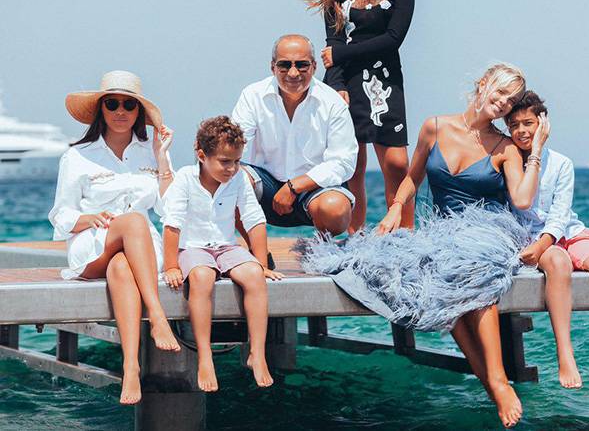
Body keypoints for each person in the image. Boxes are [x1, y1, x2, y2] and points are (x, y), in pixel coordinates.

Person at [304, 63, 549, 428]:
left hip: (490, 231)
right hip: (445, 231)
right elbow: (411, 179)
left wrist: (536, 149)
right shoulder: (435, 126)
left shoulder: (506, 147)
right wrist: (394, 210)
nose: (503, 103)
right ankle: (492, 385)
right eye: (499, 92)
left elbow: (524, 200)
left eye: (511, 100)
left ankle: (498, 379)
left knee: (472, 268)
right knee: (437, 281)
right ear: (483, 85)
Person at [49, 70, 180, 405]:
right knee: (133, 221)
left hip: (141, 251)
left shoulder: (151, 151)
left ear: (138, 111)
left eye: (129, 104)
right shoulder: (77, 155)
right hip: (93, 244)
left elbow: (169, 210)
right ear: (101, 109)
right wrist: (87, 218)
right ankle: (158, 317)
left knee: (122, 266)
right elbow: (60, 216)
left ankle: (131, 366)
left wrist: (163, 158)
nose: (121, 111)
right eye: (112, 104)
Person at [505, 91, 589, 390]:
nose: (521, 130)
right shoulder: (506, 161)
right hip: (530, 237)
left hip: (566, 232)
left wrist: (546, 242)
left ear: (543, 123)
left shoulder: (562, 163)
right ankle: (565, 354)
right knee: (559, 263)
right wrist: (539, 246)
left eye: (528, 123)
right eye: (514, 125)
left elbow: (561, 215)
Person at [307, 0, 415, 233]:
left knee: (397, 163)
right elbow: (333, 42)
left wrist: (340, 54)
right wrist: (337, 84)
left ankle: (406, 236)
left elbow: (392, 40)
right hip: (345, 85)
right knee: (352, 167)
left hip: (385, 82)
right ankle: (354, 239)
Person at [161, 116, 283, 392]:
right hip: (193, 248)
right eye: (225, 162)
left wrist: (261, 263)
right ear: (202, 156)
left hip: (226, 247)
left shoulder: (238, 178)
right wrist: (171, 266)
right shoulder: (185, 179)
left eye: (237, 161)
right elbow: (172, 224)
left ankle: (257, 353)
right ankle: (205, 356)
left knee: (254, 275)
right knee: (202, 277)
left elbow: (253, 219)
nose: (232, 168)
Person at [231, 34, 358, 235]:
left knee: (335, 207)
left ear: (314, 66)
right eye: (284, 65)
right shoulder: (252, 95)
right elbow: (233, 146)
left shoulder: (333, 103)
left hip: (314, 190)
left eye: (302, 65)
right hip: (265, 189)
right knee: (228, 177)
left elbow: (343, 162)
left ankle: (321, 250)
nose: (293, 72)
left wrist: (294, 186)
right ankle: (256, 250)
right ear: (272, 67)